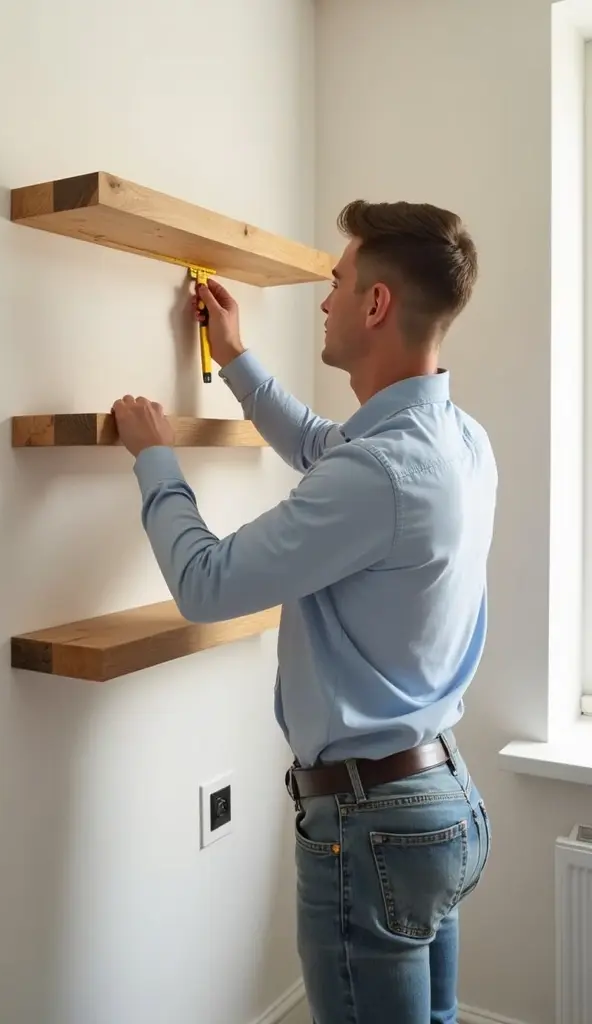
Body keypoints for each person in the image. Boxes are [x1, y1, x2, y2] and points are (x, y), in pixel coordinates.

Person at [111, 199, 497, 1024]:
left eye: (337, 279)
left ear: (376, 305)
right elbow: (328, 447)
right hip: (439, 801)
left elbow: (208, 583)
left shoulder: (385, 474)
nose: (325, 300)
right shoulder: (457, 441)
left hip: (374, 823)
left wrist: (153, 459)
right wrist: (236, 359)